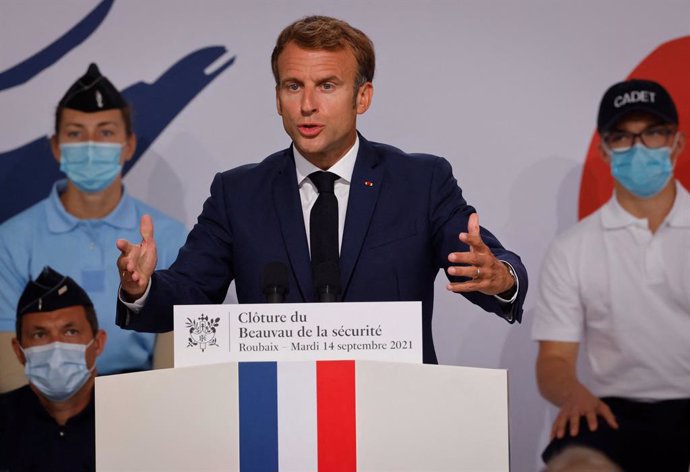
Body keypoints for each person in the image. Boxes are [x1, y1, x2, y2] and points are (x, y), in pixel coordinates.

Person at [115, 15, 528, 364]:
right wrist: (142, 288)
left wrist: (501, 277)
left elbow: (483, 261)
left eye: (327, 86)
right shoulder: (238, 194)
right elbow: (190, 295)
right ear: (278, 98)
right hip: (276, 417)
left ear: (362, 96)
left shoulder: (420, 182)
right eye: (293, 86)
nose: (307, 104)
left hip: (397, 416)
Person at [533, 79, 690, 471]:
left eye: (653, 132)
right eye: (622, 136)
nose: (638, 147)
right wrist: (574, 394)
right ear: (604, 149)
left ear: (677, 142)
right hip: (613, 411)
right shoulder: (572, 248)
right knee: (572, 461)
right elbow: (553, 359)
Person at [0, 64, 187, 391]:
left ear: (128, 146)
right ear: (57, 147)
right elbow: (8, 360)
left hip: (141, 402)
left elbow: (174, 362)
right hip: (42, 410)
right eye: (75, 133)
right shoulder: (13, 240)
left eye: (105, 132)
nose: (90, 145)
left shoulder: (167, 238)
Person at [0, 266, 106, 471]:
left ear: (98, 343)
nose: (56, 347)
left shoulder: (134, 416)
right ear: (19, 351)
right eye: (40, 335)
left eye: (71, 331)